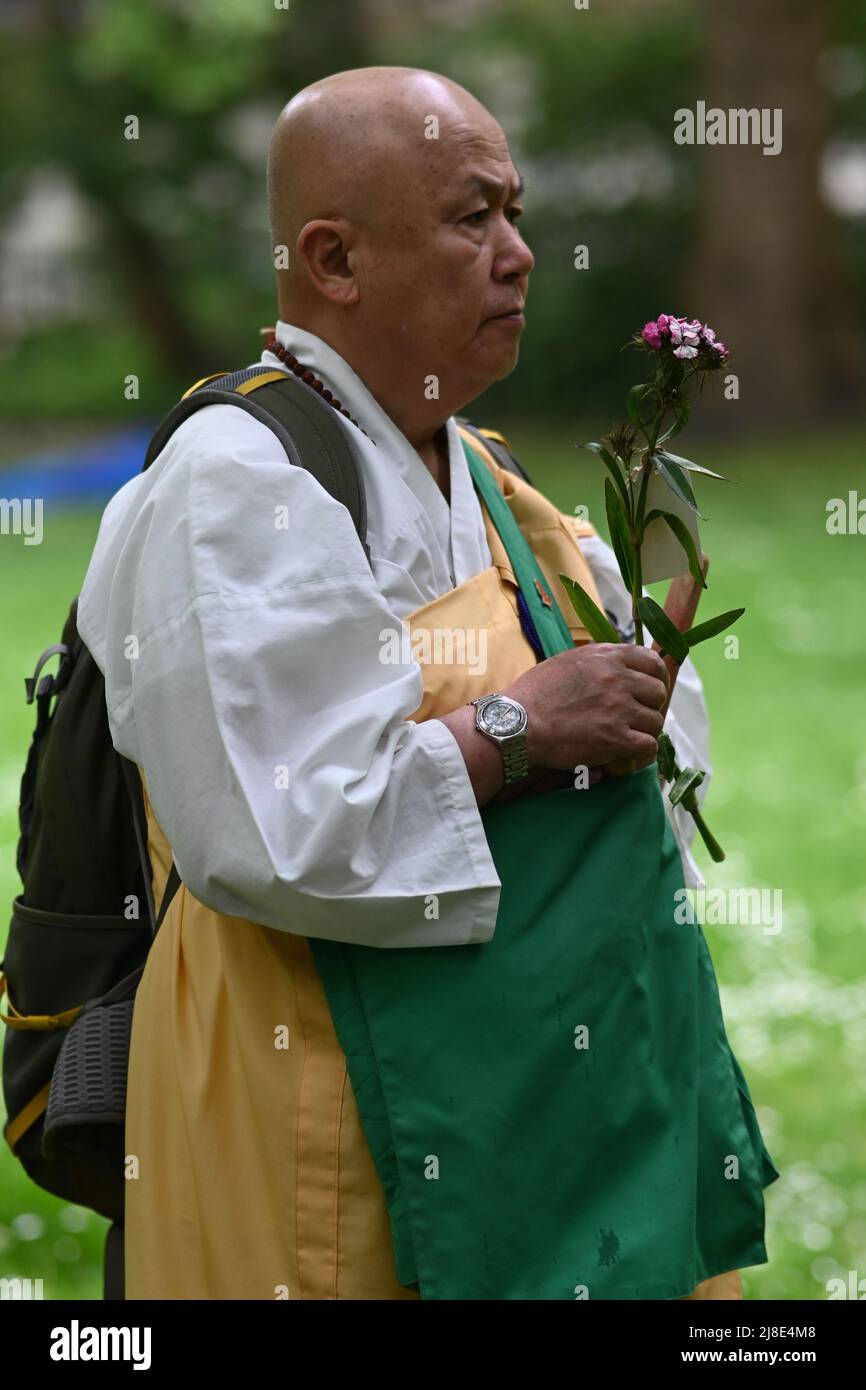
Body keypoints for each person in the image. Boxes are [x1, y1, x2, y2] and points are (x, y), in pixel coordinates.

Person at [78, 66, 777, 1300]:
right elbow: (276, 828)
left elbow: (650, 774)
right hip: (323, 1116)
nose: (517, 254)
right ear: (332, 260)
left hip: (529, 1110)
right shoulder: (232, 485)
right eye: (472, 218)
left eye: (513, 212)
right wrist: (519, 728)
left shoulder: (498, 483)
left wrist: (633, 701)